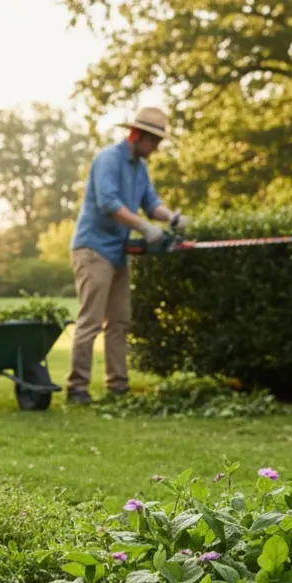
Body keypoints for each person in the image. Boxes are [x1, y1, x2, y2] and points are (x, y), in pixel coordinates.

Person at [65, 106, 188, 405]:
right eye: (154, 142)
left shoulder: (140, 168)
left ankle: (117, 386)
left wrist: (170, 217)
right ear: (138, 136)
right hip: (93, 248)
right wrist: (144, 227)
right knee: (91, 321)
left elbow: (151, 203)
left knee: (120, 321)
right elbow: (109, 203)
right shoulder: (108, 159)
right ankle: (77, 388)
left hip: (117, 251)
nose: (156, 149)